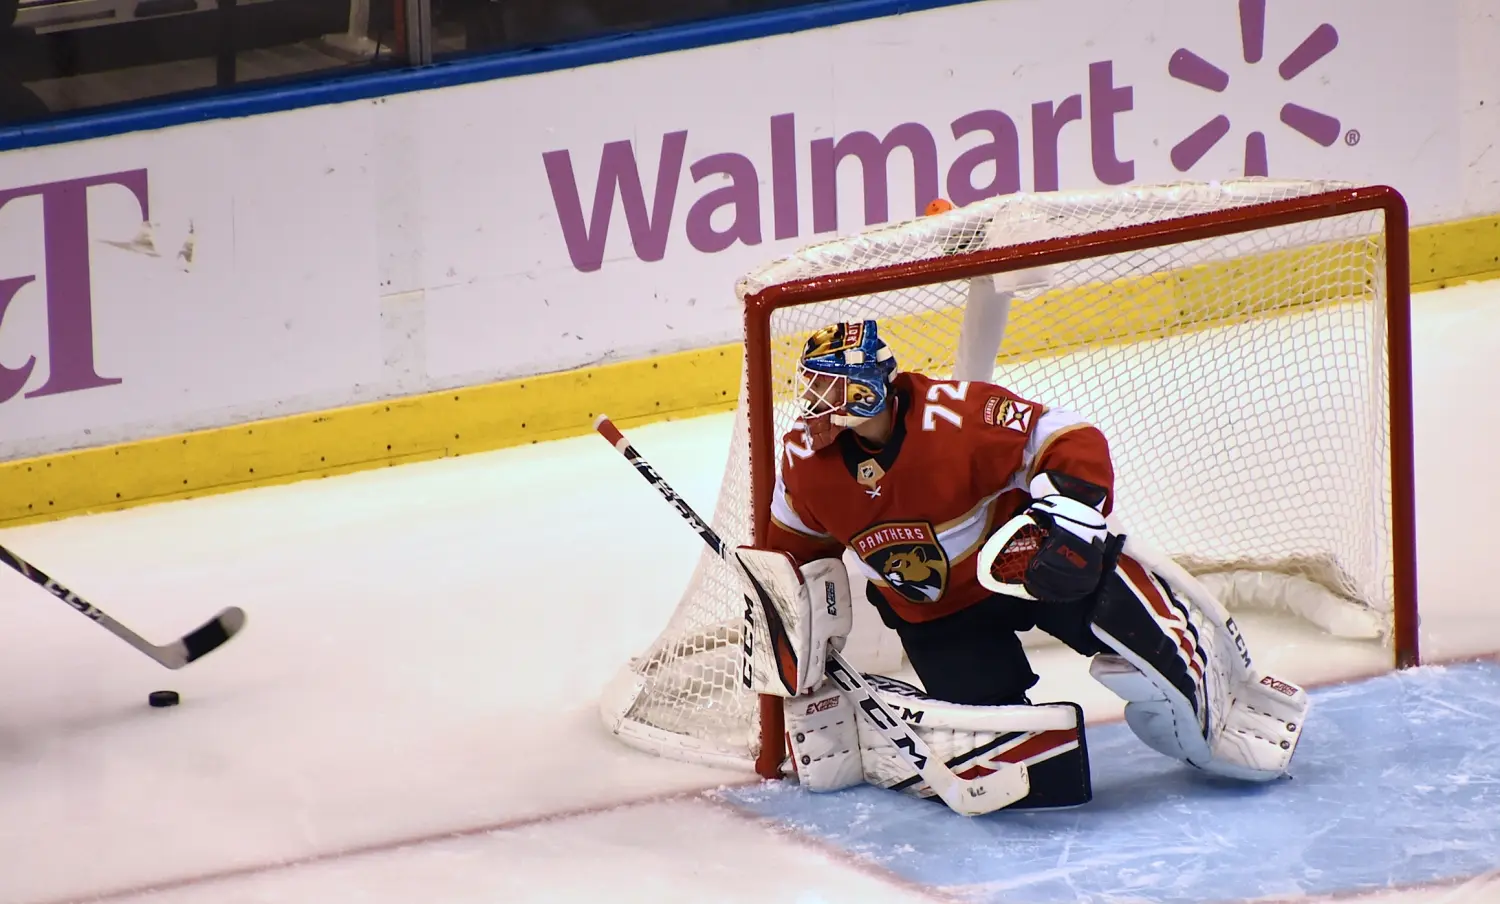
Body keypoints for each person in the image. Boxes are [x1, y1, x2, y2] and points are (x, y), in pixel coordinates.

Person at [730, 319, 1311, 810]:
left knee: (1137, 632)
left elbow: (1066, 436)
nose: (820, 401)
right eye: (815, 386)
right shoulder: (804, 460)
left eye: (835, 386)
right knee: (1022, 764)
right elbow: (795, 557)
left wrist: (1071, 522)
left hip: (1022, 570)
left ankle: (1205, 684)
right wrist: (795, 641)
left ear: (873, 386)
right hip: (937, 618)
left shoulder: (955, 414)